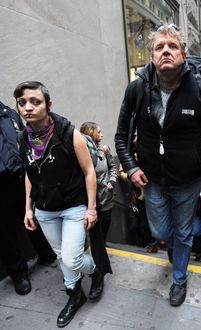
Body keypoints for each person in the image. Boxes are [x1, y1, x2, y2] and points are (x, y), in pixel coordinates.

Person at [115, 24, 201, 306]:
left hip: (188, 179)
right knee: (160, 233)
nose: (165, 50)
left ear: (183, 54)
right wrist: (131, 167)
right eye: (159, 47)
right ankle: (179, 240)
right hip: (152, 179)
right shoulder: (137, 89)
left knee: (181, 233)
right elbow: (121, 135)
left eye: (172, 46)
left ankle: (179, 279)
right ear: (152, 55)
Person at [15, 81, 111, 328]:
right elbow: (29, 173)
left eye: (35, 102)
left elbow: (89, 171)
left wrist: (91, 208)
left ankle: (96, 269)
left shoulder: (69, 133)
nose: (28, 107)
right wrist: (28, 208)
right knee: (62, 256)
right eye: (22, 102)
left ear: (48, 104)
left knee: (71, 259)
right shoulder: (23, 137)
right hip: (45, 210)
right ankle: (74, 294)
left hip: (73, 206)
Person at [0, 101, 56, 295]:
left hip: (21, 177)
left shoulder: (9, 113)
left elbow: (27, 137)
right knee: (5, 233)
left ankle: (46, 253)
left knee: (32, 217)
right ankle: (18, 274)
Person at [80, 122, 118, 241]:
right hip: (88, 199)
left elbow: (113, 167)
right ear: (90, 133)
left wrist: (112, 180)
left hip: (106, 197)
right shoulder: (80, 152)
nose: (102, 135)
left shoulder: (104, 150)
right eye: (99, 132)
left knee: (105, 225)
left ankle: (102, 246)